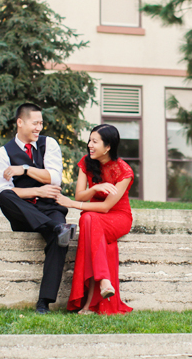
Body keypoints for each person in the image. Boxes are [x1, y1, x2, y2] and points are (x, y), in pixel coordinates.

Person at [0, 103, 76, 314]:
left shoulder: (50, 144)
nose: (39, 128)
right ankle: (54, 228)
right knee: (4, 197)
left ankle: (43, 303)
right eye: (35, 123)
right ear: (20, 122)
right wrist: (37, 191)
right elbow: (4, 190)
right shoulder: (3, 154)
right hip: (24, 213)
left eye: (41, 123)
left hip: (50, 208)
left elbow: (55, 178)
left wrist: (26, 170)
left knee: (59, 238)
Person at [56, 124, 134, 315]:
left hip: (118, 217)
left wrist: (72, 204)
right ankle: (102, 283)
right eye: (89, 140)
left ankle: (90, 299)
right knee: (89, 219)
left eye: (94, 141)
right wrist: (95, 189)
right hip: (95, 216)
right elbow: (81, 195)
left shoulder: (124, 171)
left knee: (89, 218)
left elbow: (106, 207)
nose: (89, 145)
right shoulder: (86, 162)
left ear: (108, 147)